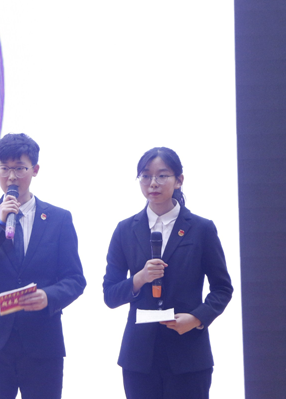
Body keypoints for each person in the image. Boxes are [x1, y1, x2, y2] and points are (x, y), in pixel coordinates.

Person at [0, 133, 86, 399]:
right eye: (4, 168)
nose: (11, 177)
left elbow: (75, 279)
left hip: (42, 344)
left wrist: (48, 296)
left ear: (35, 170)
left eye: (19, 168)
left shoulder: (59, 219)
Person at [103, 147, 233, 399]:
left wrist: (196, 319)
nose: (153, 183)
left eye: (162, 175)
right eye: (145, 176)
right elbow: (110, 294)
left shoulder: (202, 228)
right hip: (139, 358)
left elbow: (222, 288)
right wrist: (139, 278)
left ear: (179, 180)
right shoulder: (124, 230)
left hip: (188, 355)